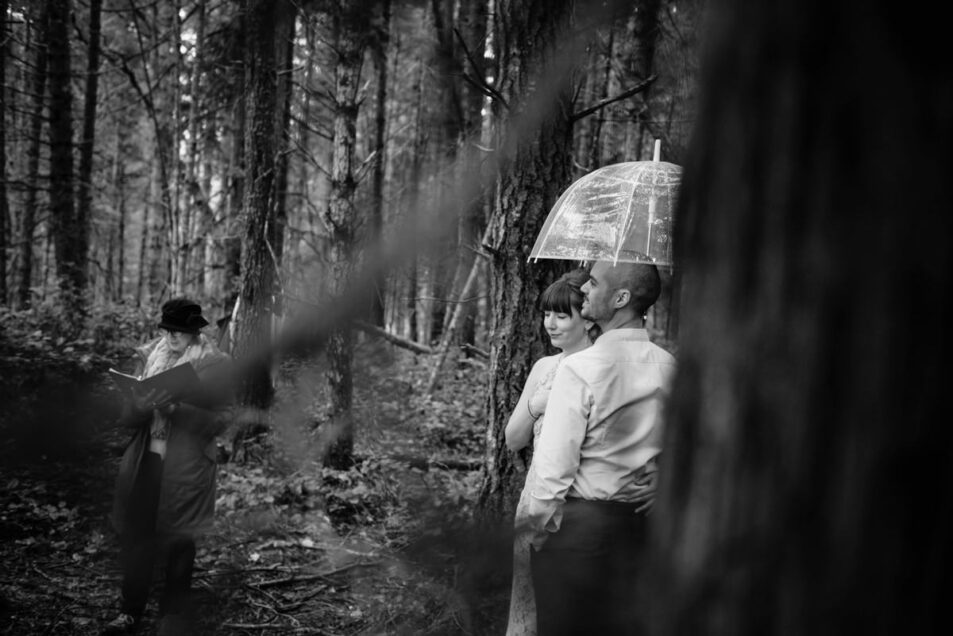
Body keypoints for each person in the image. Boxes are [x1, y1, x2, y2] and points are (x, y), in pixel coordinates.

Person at [527, 261, 676, 636]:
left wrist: (539, 531)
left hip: (581, 532)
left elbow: (554, 466)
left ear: (621, 297)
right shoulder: (670, 366)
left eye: (593, 284)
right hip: (645, 531)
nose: (585, 291)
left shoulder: (580, 368)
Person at [104, 298, 232, 635]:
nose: (172, 335)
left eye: (180, 330)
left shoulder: (215, 365)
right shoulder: (151, 357)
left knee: (179, 540)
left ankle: (171, 619)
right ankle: (130, 611)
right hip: (146, 459)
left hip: (187, 465)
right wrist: (140, 406)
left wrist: (179, 410)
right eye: (168, 329)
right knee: (138, 537)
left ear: (194, 332)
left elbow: (223, 418)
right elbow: (126, 419)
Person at [504, 268, 597, 636]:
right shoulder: (544, 366)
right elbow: (513, 439)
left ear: (588, 320)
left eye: (562, 315)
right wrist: (537, 404)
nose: (551, 324)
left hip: (579, 502)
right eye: (547, 314)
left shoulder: (598, 368)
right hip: (535, 495)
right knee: (528, 604)